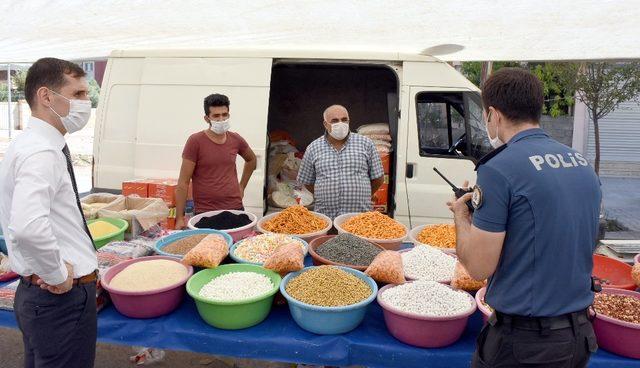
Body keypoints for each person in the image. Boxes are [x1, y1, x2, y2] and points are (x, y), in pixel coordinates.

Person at [447, 68, 601, 368]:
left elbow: (478, 267)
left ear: (493, 114)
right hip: (578, 336)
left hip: (526, 346)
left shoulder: (498, 168)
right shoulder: (581, 164)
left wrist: (461, 215)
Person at [0, 58, 98, 368]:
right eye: (79, 94)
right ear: (46, 97)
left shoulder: (30, 144)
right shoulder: (41, 151)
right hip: (60, 301)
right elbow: (28, 227)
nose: (86, 103)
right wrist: (58, 274)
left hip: (41, 297)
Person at [175, 94, 257, 228]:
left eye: (225, 114)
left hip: (235, 209)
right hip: (206, 212)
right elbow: (183, 183)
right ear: (207, 118)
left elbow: (251, 160)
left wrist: (241, 187)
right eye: (216, 116)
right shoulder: (195, 141)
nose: (222, 119)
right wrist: (179, 218)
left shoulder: (235, 139)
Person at [297, 105, 384, 219]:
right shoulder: (313, 147)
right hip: (326, 217)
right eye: (334, 121)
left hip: (359, 218)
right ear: (325, 124)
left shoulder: (366, 143)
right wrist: (324, 194)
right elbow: (307, 181)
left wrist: (364, 194)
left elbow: (378, 178)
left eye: (344, 120)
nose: (340, 123)